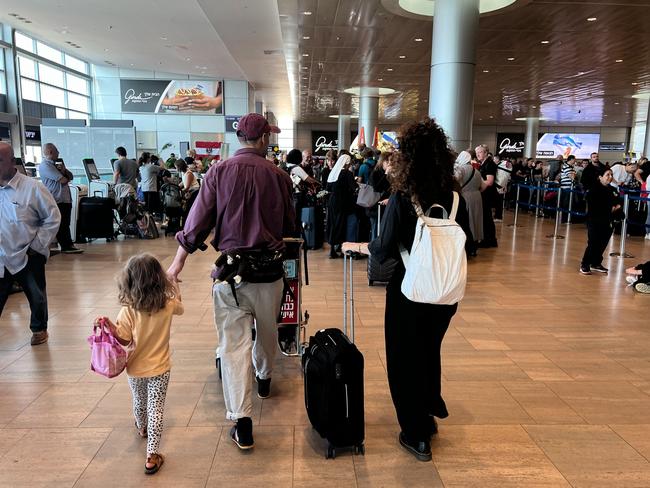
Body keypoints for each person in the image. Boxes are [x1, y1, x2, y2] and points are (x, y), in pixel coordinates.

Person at [167, 113, 295, 451]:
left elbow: (196, 224)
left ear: (239, 137)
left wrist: (177, 264)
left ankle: (243, 423)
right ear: (265, 138)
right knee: (268, 332)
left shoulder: (217, 172)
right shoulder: (280, 177)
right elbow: (290, 229)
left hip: (231, 276)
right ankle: (264, 379)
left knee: (233, 346)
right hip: (270, 275)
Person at [363, 118, 471, 462]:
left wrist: (368, 246)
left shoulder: (403, 197)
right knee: (428, 351)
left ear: (407, 158)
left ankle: (416, 433)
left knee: (403, 359)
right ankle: (427, 412)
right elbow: (466, 244)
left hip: (409, 290)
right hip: (445, 293)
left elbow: (383, 248)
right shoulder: (456, 198)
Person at [95, 253, 183, 475]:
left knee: (139, 400)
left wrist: (111, 326)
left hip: (134, 368)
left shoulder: (128, 310)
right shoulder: (168, 304)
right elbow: (180, 307)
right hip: (161, 368)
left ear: (130, 281)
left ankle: (141, 427)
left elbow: (124, 339)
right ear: (159, 278)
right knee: (157, 408)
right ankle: (152, 455)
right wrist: (174, 286)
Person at [0, 142, 61, 346]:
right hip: (1, 255)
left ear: (11, 162)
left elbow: (52, 217)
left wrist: (37, 246)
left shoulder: (32, 187)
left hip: (28, 252)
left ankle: (39, 329)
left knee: (36, 295)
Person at [38, 143, 83, 254]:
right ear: (50, 152)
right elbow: (62, 180)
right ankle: (65, 245)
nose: (58, 153)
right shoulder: (45, 166)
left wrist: (64, 170)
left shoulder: (57, 165)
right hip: (55, 199)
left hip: (65, 199)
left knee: (65, 222)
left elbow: (70, 177)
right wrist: (64, 175)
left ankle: (67, 245)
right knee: (60, 223)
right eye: (57, 150)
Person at [580, 167, 621, 275]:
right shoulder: (593, 190)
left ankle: (596, 263)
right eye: (607, 175)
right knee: (593, 242)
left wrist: (615, 209)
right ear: (600, 177)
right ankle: (585, 263)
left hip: (608, 220)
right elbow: (595, 206)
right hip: (595, 220)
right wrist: (610, 208)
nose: (610, 177)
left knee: (603, 243)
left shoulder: (612, 190)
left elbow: (618, 204)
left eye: (611, 175)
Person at [326, 154, 358, 258]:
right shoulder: (347, 173)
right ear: (347, 163)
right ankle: (341, 249)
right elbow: (354, 188)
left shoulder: (334, 172)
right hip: (342, 202)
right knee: (340, 225)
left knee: (332, 225)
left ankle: (332, 250)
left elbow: (328, 187)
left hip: (332, 202)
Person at [454, 150, 483, 250]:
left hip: (465, 196)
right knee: (476, 219)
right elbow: (482, 186)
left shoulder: (460, 169)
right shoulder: (477, 171)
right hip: (477, 197)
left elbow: (455, 183)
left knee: (467, 220)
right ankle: (475, 240)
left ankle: (467, 243)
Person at [476, 144, 498, 247]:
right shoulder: (484, 163)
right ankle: (487, 239)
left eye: (480, 152)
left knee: (487, 217)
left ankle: (490, 240)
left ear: (485, 153)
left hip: (487, 194)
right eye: (477, 153)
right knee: (485, 217)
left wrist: (479, 184)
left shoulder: (490, 164)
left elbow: (489, 181)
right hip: (484, 194)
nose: (478, 154)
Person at [367, 151, 393, 240]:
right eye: (388, 161)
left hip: (386, 207)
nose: (390, 164)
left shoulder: (391, 174)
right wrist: (386, 174)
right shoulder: (375, 173)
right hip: (375, 208)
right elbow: (377, 188)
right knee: (375, 232)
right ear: (383, 161)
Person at [494, 157, 512, 221]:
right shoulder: (499, 165)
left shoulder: (505, 164)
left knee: (499, 202)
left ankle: (498, 217)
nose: (494, 160)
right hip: (499, 185)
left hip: (500, 186)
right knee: (498, 201)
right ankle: (497, 216)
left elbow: (505, 176)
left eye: (494, 159)